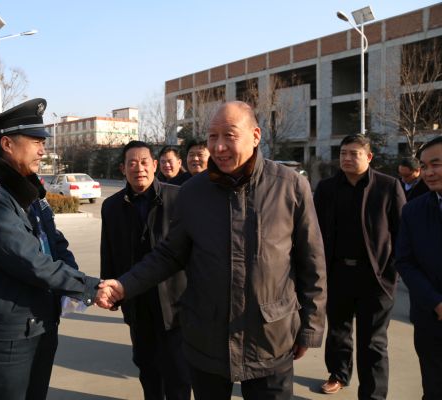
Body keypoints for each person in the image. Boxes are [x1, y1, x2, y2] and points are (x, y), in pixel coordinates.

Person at [98, 101, 327, 400]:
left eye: (229, 135)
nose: (218, 147)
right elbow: (169, 254)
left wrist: (310, 327)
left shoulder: (290, 187)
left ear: (255, 136)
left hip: (271, 338)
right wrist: (124, 284)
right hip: (206, 339)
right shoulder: (193, 192)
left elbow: (312, 262)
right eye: (212, 137)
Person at [0, 98, 101, 400]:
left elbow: (55, 241)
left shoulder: (26, 190)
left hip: (39, 324)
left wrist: (71, 281)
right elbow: (30, 260)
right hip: (8, 336)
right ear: (7, 144)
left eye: (43, 142)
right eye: (36, 141)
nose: (42, 150)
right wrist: (88, 287)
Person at [313, 134, 405, 398]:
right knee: (338, 332)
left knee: (373, 341)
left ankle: (373, 394)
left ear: (369, 157)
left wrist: (391, 272)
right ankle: (338, 374)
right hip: (337, 273)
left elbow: (402, 232)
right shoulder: (327, 188)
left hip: (375, 277)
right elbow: (314, 231)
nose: (347, 158)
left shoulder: (388, 186)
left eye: (354, 153)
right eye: (343, 153)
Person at [101, 140, 190, 400]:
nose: (138, 168)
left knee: (178, 374)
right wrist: (111, 291)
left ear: (154, 165)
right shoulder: (112, 206)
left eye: (143, 162)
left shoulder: (178, 198)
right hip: (136, 301)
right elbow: (109, 251)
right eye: (131, 163)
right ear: (122, 168)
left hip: (175, 304)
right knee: (148, 369)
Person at [395, 136, 442, 400]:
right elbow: (405, 261)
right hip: (430, 318)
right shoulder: (413, 210)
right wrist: (436, 302)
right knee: (434, 388)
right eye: (424, 166)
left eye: (436, 164)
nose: (429, 172)